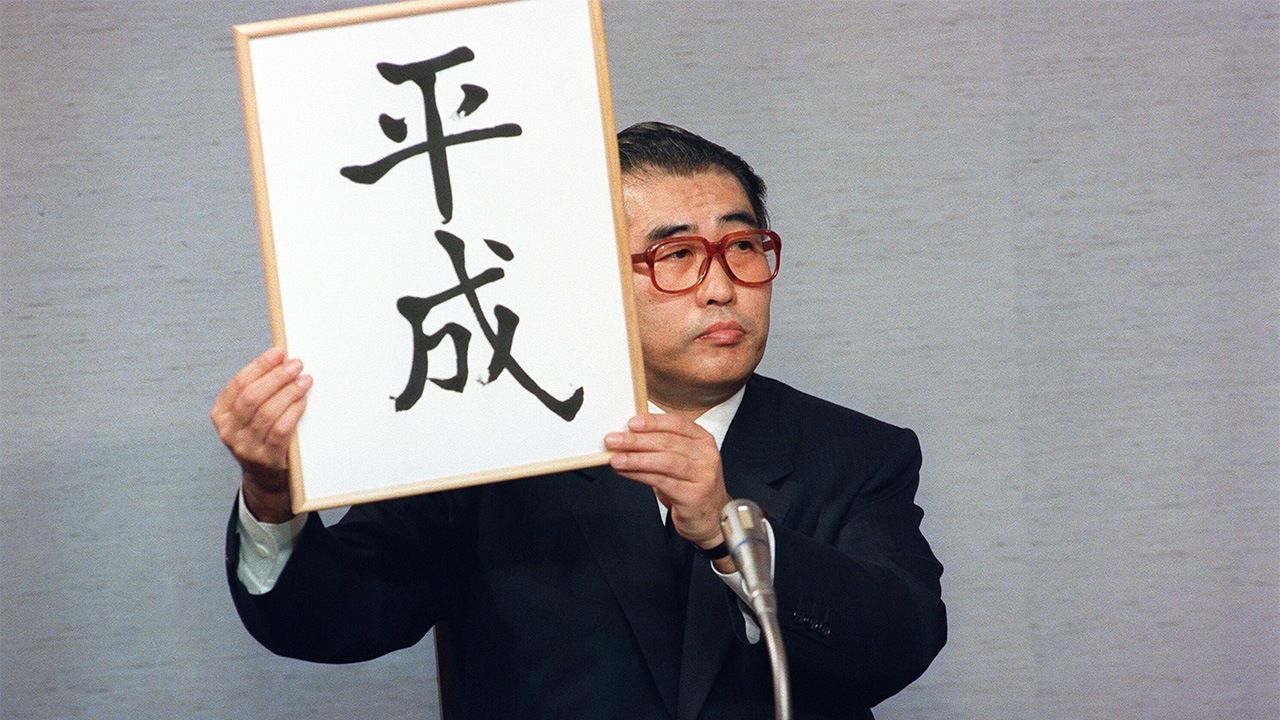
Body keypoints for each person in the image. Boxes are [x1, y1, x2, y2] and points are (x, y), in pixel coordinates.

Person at [212, 121, 946, 719]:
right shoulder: (494, 446)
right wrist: (272, 495)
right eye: (676, 254)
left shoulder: (856, 453)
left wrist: (731, 531)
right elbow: (331, 619)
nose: (721, 288)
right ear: (588, 279)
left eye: (743, 247)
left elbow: (899, 644)